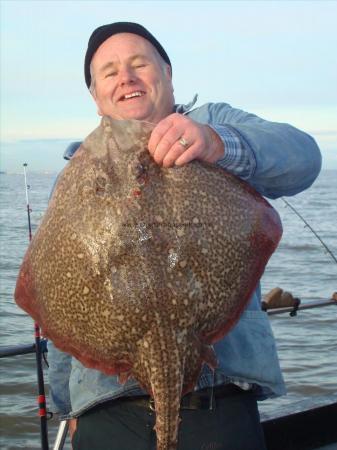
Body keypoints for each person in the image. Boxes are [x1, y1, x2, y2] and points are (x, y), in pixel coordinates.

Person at [48, 22, 322, 450]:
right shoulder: (75, 174)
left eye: (140, 64)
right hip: (105, 407)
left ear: (168, 74)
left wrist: (216, 144)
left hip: (216, 402)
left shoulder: (214, 123)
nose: (127, 77)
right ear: (96, 96)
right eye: (110, 72)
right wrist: (69, 404)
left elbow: (304, 158)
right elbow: (57, 301)